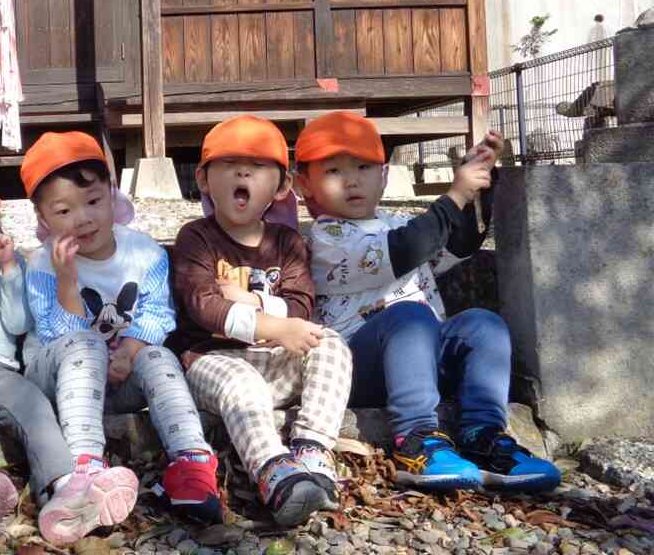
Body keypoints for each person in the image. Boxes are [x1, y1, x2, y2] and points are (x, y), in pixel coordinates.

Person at [294, 112, 560, 493]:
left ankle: (483, 434)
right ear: (305, 184)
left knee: (483, 324)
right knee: (408, 315)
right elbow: (407, 249)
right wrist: (455, 194)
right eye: (333, 171)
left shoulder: (395, 220)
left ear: (384, 175)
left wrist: (475, 185)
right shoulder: (326, 238)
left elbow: (456, 246)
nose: (351, 180)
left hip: (422, 358)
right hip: (362, 368)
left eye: (364, 167)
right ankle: (417, 439)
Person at [0, 159, 138, 549]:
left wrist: (6, 269)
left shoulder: (14, 262)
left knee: (35, 408)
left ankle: (64, 489)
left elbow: (18, 323)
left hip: (2, 367)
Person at [20, 132, 220, 524]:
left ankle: (192, 461)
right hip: (59, 380)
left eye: (94, 202)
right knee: (84, 346)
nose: (83, 218)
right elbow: (53, 337)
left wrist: (129, 353)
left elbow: (158, 316)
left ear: (112, 196)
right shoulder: (43, 266)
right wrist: (66, 280)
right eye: (63, 211)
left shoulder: (143, 252)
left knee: (159, 355)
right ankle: (83, 467)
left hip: (121, 372)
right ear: (43, 219)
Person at [169, 116, 353, 527]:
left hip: (274, 360)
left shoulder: (286, 242)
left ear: (283, 185)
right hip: (211, 362)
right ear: (203, 179)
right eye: (229, 163)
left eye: (258, 165)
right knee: (242, 382)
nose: (243, 172)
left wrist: (254, 301)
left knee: (331, 342)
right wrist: (273, 323)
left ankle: (312, 449)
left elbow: (302, 306)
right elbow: (204, 305)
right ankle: (273, 470)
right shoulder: (196, 237)